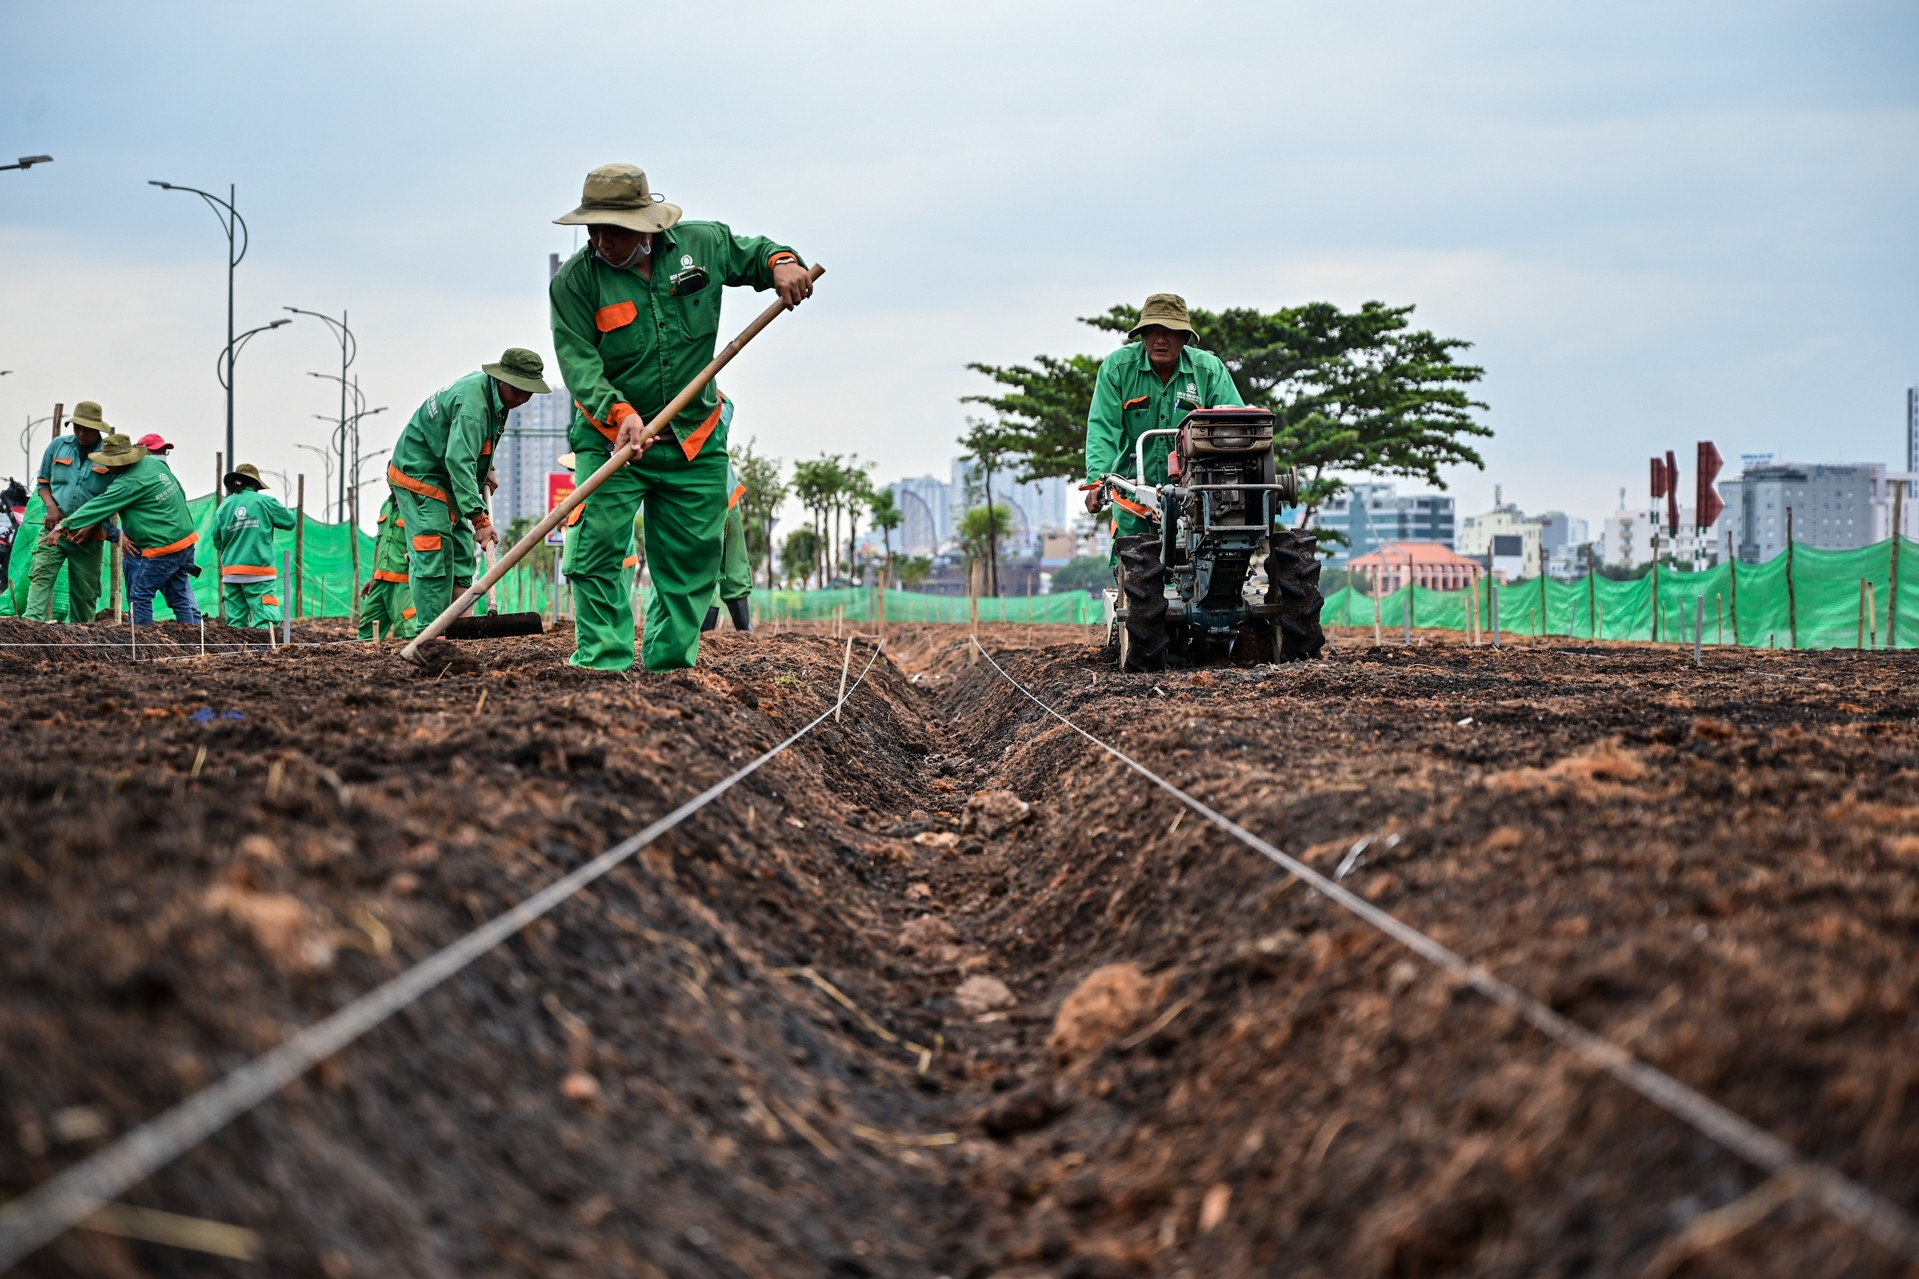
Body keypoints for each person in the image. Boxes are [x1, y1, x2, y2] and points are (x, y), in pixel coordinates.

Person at [549, 162, 810, 670]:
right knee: (596, 553)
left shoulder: (701, 246)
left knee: (691, 561)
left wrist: (782, 264)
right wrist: (618, 413)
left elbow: (758, 255)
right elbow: (580, 365)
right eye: (592, 228)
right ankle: (603, 665)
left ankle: (669, 669)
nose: (601, 240)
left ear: (646, 223)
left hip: (694, 437)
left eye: (614, 229)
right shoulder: (575, 284)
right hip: (613, 442)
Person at [387, 348, 550, 631]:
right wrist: (480, 519)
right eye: (521, 390)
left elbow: (469, 444)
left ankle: (461, 629)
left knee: (462, 550)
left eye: (530, 392)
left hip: (447, 475)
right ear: (503, 380)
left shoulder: (495, 397)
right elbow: (458, 459)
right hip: (421, 472)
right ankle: (430, 635)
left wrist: (487, 470)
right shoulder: (474, 406)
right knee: (434, 546)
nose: (525, 398)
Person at [1082, 293, 1244, 549]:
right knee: (1134, 570)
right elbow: (1103, 429)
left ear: (1184, 338)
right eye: (1152, 331)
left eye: (1169, 332)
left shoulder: (1209, 371)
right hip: (1133, 494)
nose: (1160, 340)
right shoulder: (1117, 369)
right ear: (1142, 335)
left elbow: (1236, 428)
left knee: (1213, 564)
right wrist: (1098, 482)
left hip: (1198, 498)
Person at [47, 432, 202, 625]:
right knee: (178, 595)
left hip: (163, 548)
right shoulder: (154, 464)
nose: (106, 466)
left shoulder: (127, 483)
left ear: (120, 462)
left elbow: (97, 505)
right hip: (185, 541)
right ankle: (193, 643)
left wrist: (62, 526)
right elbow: (180, 491)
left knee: (140, 595)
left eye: (108, 462)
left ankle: (140, 644)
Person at [23, 400, 115, 623]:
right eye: (77, 427)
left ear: (98, 429)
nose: (81, 433)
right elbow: (43, 484)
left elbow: (113, 499)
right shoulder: (58, 446)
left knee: (85, 596)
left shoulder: (110, 455)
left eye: (87, 429)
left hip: (89, 536)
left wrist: (90, 525)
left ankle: (80, 644)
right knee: (40, 578)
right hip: (53, 529)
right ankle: (29, 630)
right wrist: (51, 508)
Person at [212, 463, 296, 628]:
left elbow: (217, 540)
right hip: (259, 572)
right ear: (255, 483)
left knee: (235, 625)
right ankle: (265, 652)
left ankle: (237, 654)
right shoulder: (265, 502)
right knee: (265, 622)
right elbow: (290, 521)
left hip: (231, 573)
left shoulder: (224, 506)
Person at [358, 495, 418, 640]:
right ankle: (364, 660)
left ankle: (407, 660)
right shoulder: (386, 505)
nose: (391, 482)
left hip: (403, 579)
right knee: (367, 628)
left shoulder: (415, 504)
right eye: (388, 476)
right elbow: (379, 542)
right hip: (380, 579)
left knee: (406, 630)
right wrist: (373, 576)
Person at [702, 462, 752, 633]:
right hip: (725, 488)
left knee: (700, 569)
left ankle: (704, 637)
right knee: (734, 564)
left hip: (701, 496)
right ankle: (745, 631)